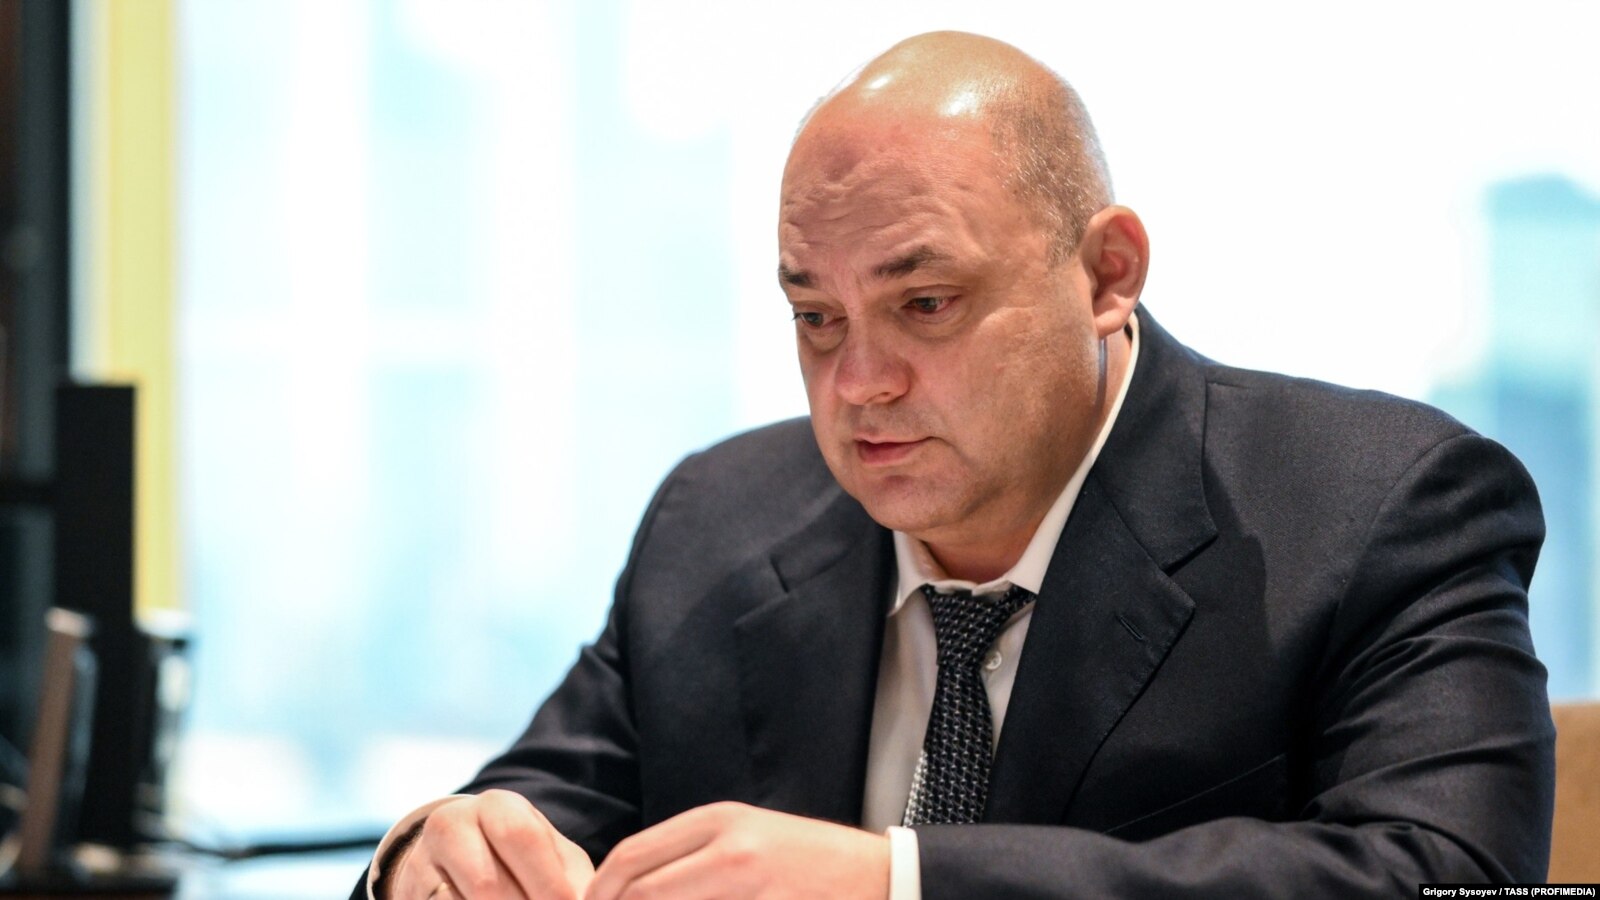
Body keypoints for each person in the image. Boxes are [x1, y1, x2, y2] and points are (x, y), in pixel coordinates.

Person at [357, 31, 1554, 900]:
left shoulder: (1382, 507)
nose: (857, 383)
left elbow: (1451, 875)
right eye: (815, 317)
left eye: (924, 303)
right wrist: (429, 854)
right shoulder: (718, 520)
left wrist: (898, 883)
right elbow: (530, 814)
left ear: (1106, 273)